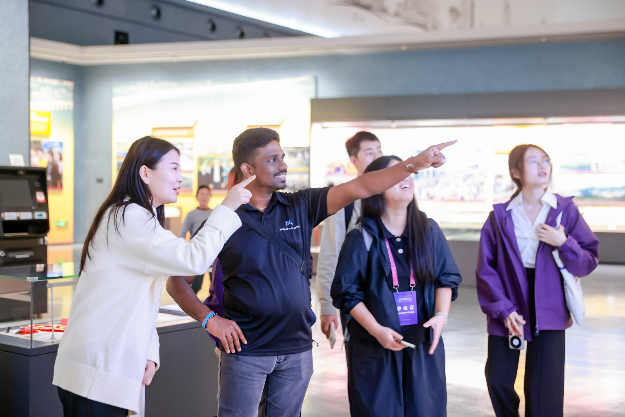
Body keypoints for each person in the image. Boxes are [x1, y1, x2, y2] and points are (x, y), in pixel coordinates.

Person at [167, 127, 455, 417]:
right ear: (247, 169)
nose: (283, 165)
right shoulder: (224, 220)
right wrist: (210, 320)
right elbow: (176, 281)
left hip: (297, 351)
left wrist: (414, 164)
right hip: (246, 353)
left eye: (282, 157)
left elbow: (362, 186)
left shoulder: (301, 205)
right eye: (272, 160)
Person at [52, 136, 254, 417]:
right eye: (173, 168)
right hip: (96, 370)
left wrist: (149, 351)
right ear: (145, 173)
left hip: (104, 367)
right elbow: (193, 259)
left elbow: (138, 300)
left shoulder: (134, 216)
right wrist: (226, 207)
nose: (180, 177)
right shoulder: (129, 217)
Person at [331, 155, 461, 416]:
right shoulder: (361, 236)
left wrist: (441, 316)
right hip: (374, 348)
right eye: (397, 173)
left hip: (423, 345)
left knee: (425, 409)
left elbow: (445, 278)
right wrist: (377, 330)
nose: (407, 178)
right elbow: (346, 293)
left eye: (409, 173)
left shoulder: (429, 231)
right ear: (376, 186)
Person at [476, 144, 599, 417]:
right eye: (533, 161)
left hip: (550, 302)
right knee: (498, 378)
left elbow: (588, 261)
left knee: (545, 389)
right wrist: (504, 309)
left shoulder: (565, 211)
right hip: (508, 300)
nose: (543, 165)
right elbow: (486, 269)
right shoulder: (500, 216)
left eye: (545, 160)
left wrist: (564, 243)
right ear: (516, 172)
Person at [316, 131, 383, 360]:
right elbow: (330, 253)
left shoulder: (395, 192)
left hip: (393, 295)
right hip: (356, 299)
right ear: (354, 160)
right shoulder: (344, 199)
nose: (377, 157)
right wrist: (327, 306)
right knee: (362, 361)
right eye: (369, 152)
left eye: (379, 150)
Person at [179, 185, 213, 293]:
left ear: (210, 196)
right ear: (197, 196)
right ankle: (189, 303)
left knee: (216, 285)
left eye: (207, 194)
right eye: (202, 194)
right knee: (196, 285)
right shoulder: (191, 214)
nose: (204, 197)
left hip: (213, 253)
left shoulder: (214, 214)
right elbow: (182, 233)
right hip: (197, 254)